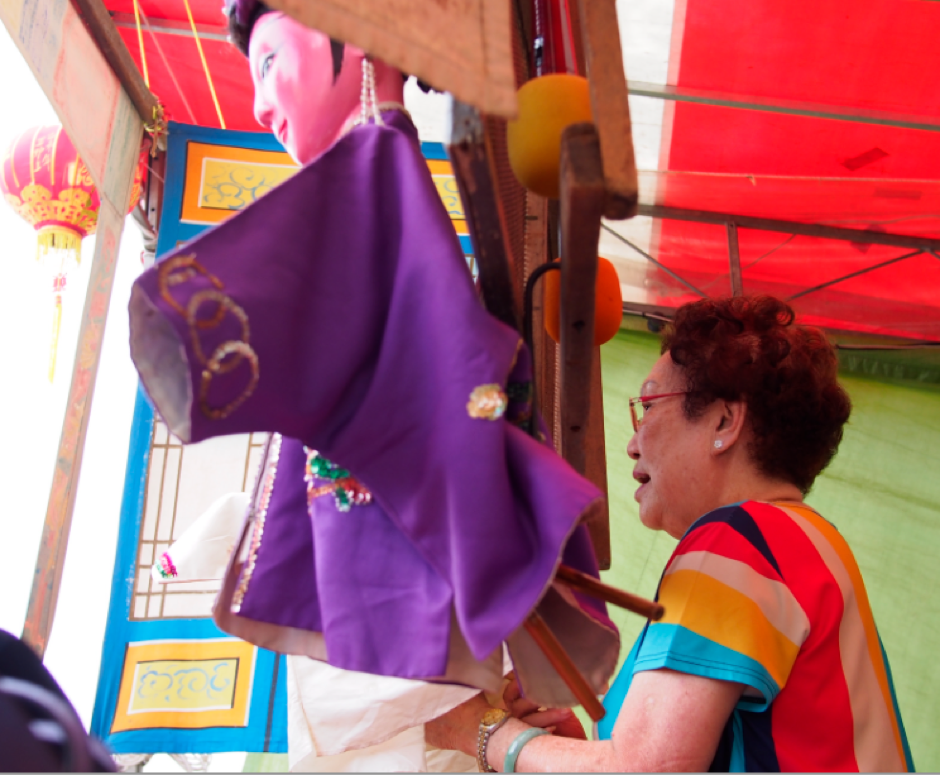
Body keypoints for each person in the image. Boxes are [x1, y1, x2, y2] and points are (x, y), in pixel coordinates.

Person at [127, 0, 621, 764]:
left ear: (354, 35)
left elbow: (436, 345)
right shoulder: (372, 173)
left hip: (391, 547)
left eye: (268, 61)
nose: (259, 104)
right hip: (381, 529)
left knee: (397, 725)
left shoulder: (375, 170)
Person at [426, 295, 914, 772]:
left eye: (648, 405)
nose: (632, 444)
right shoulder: (812, 541)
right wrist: (572, 752)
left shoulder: (739, 539)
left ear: (725, 421)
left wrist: (481, 732)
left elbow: (645, 768)